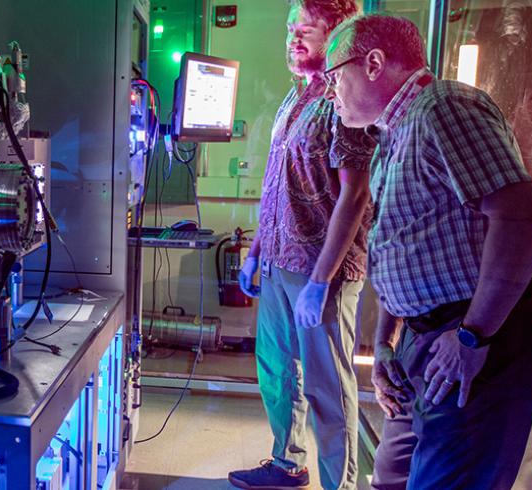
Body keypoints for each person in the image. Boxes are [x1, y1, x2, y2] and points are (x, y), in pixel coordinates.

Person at [322, 14, 532, 489]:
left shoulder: (443, 108)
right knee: (393, 476)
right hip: (425, 339)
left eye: (333, 75)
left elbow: (522, 217)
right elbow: (401, 246)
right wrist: (385, 345)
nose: (329, 91)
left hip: (472, 336)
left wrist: (472, 337)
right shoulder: (394, 134)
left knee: (449, 479)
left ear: (374, 63)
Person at [227, 1, 375, 489]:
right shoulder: (296, 99)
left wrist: (320, 281)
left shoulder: (344, 99)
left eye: (305, 30)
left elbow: (355, 195)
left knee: (328, 389)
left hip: (320, 273)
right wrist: (254, 253)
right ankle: (287, 462)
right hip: (277, 262)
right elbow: (276, 183)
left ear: (334, 34)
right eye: (290, 29)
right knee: (278, 374)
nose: (293, 38)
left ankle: (342, 485)